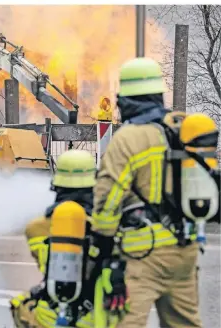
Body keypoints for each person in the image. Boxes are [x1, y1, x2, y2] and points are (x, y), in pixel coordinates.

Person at [89, 57, 220, 328]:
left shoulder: (129, 138)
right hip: (185, 251)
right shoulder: (179, 127)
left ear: (126, 99)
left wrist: (102, 245)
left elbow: (108, 197)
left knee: (126, 323)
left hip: (143, 254)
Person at [10, 149, 97, 328]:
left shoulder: (35, 228)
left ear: (56, 186)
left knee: (20, 303)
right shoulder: (106, 225)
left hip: (50, 316)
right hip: (98, 318)